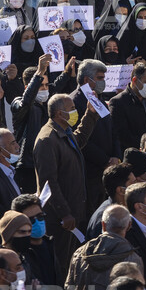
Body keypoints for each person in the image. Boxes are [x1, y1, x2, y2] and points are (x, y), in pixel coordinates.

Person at [33, 94, 98, 277]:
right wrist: (64, 213)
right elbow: (49, 182)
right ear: (60, 114)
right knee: (63, 268)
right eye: (71, 108)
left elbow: (79, 140)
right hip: (61, 220)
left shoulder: (64, 131)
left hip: (73, 214)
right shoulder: (47, 139)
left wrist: (90, 114)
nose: (74, 111)